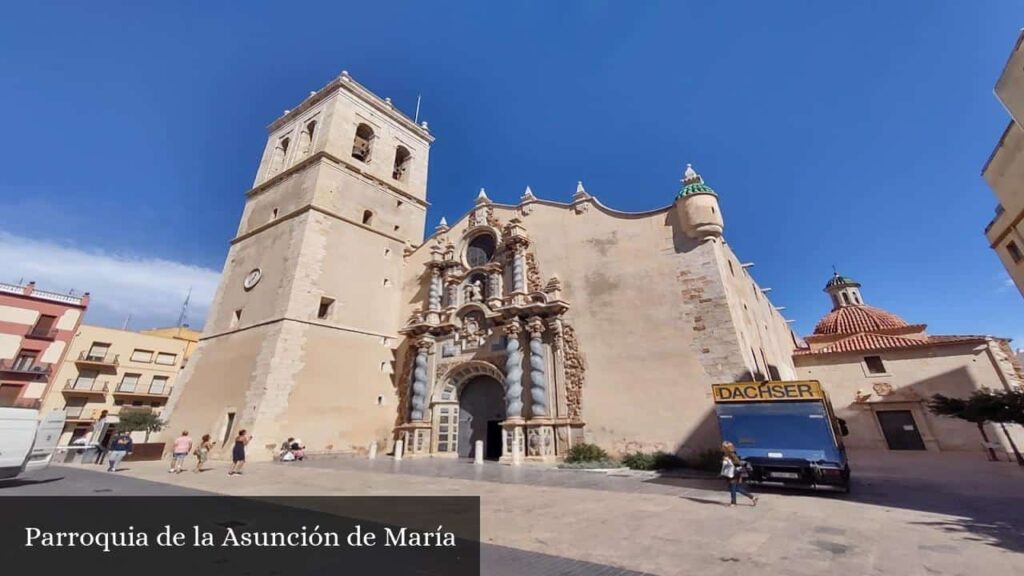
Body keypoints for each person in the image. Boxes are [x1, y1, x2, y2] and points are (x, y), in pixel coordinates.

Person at [721, 441, 758, 507]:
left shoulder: (731, 453)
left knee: (732, 487)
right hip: (733, 472)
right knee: (737, 488)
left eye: (724, 447)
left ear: (727, 447)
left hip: (733, 472)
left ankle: (733, 503)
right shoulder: (728, 453)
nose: (722, 448)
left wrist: (728, 460)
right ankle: (753, 497)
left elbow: (737, 462)